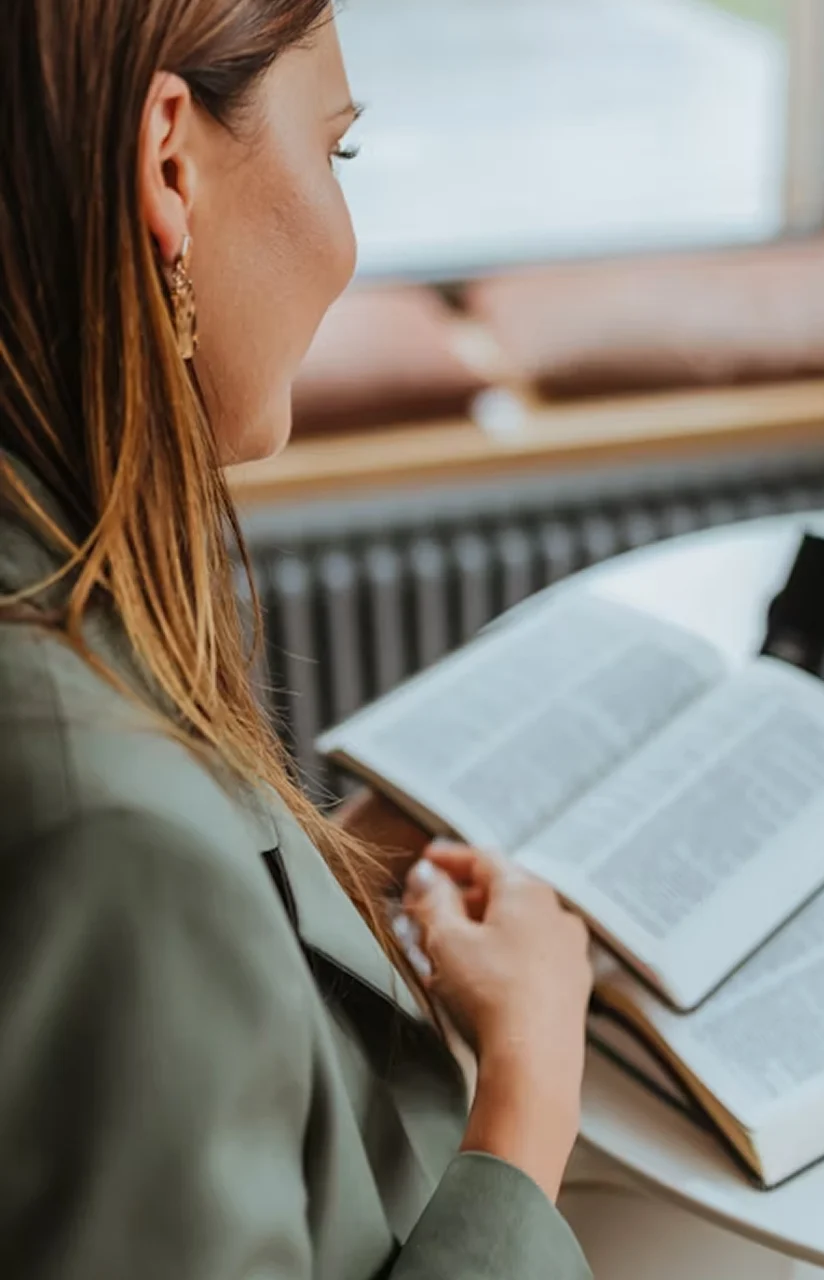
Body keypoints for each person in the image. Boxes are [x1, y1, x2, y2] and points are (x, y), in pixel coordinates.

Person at [0, 4, 595, 1277]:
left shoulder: (52, 571)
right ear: (170, 162)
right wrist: (528, 1090)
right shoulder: (113, 844)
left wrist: (317, 871)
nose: (343, 243)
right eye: (338, 154)